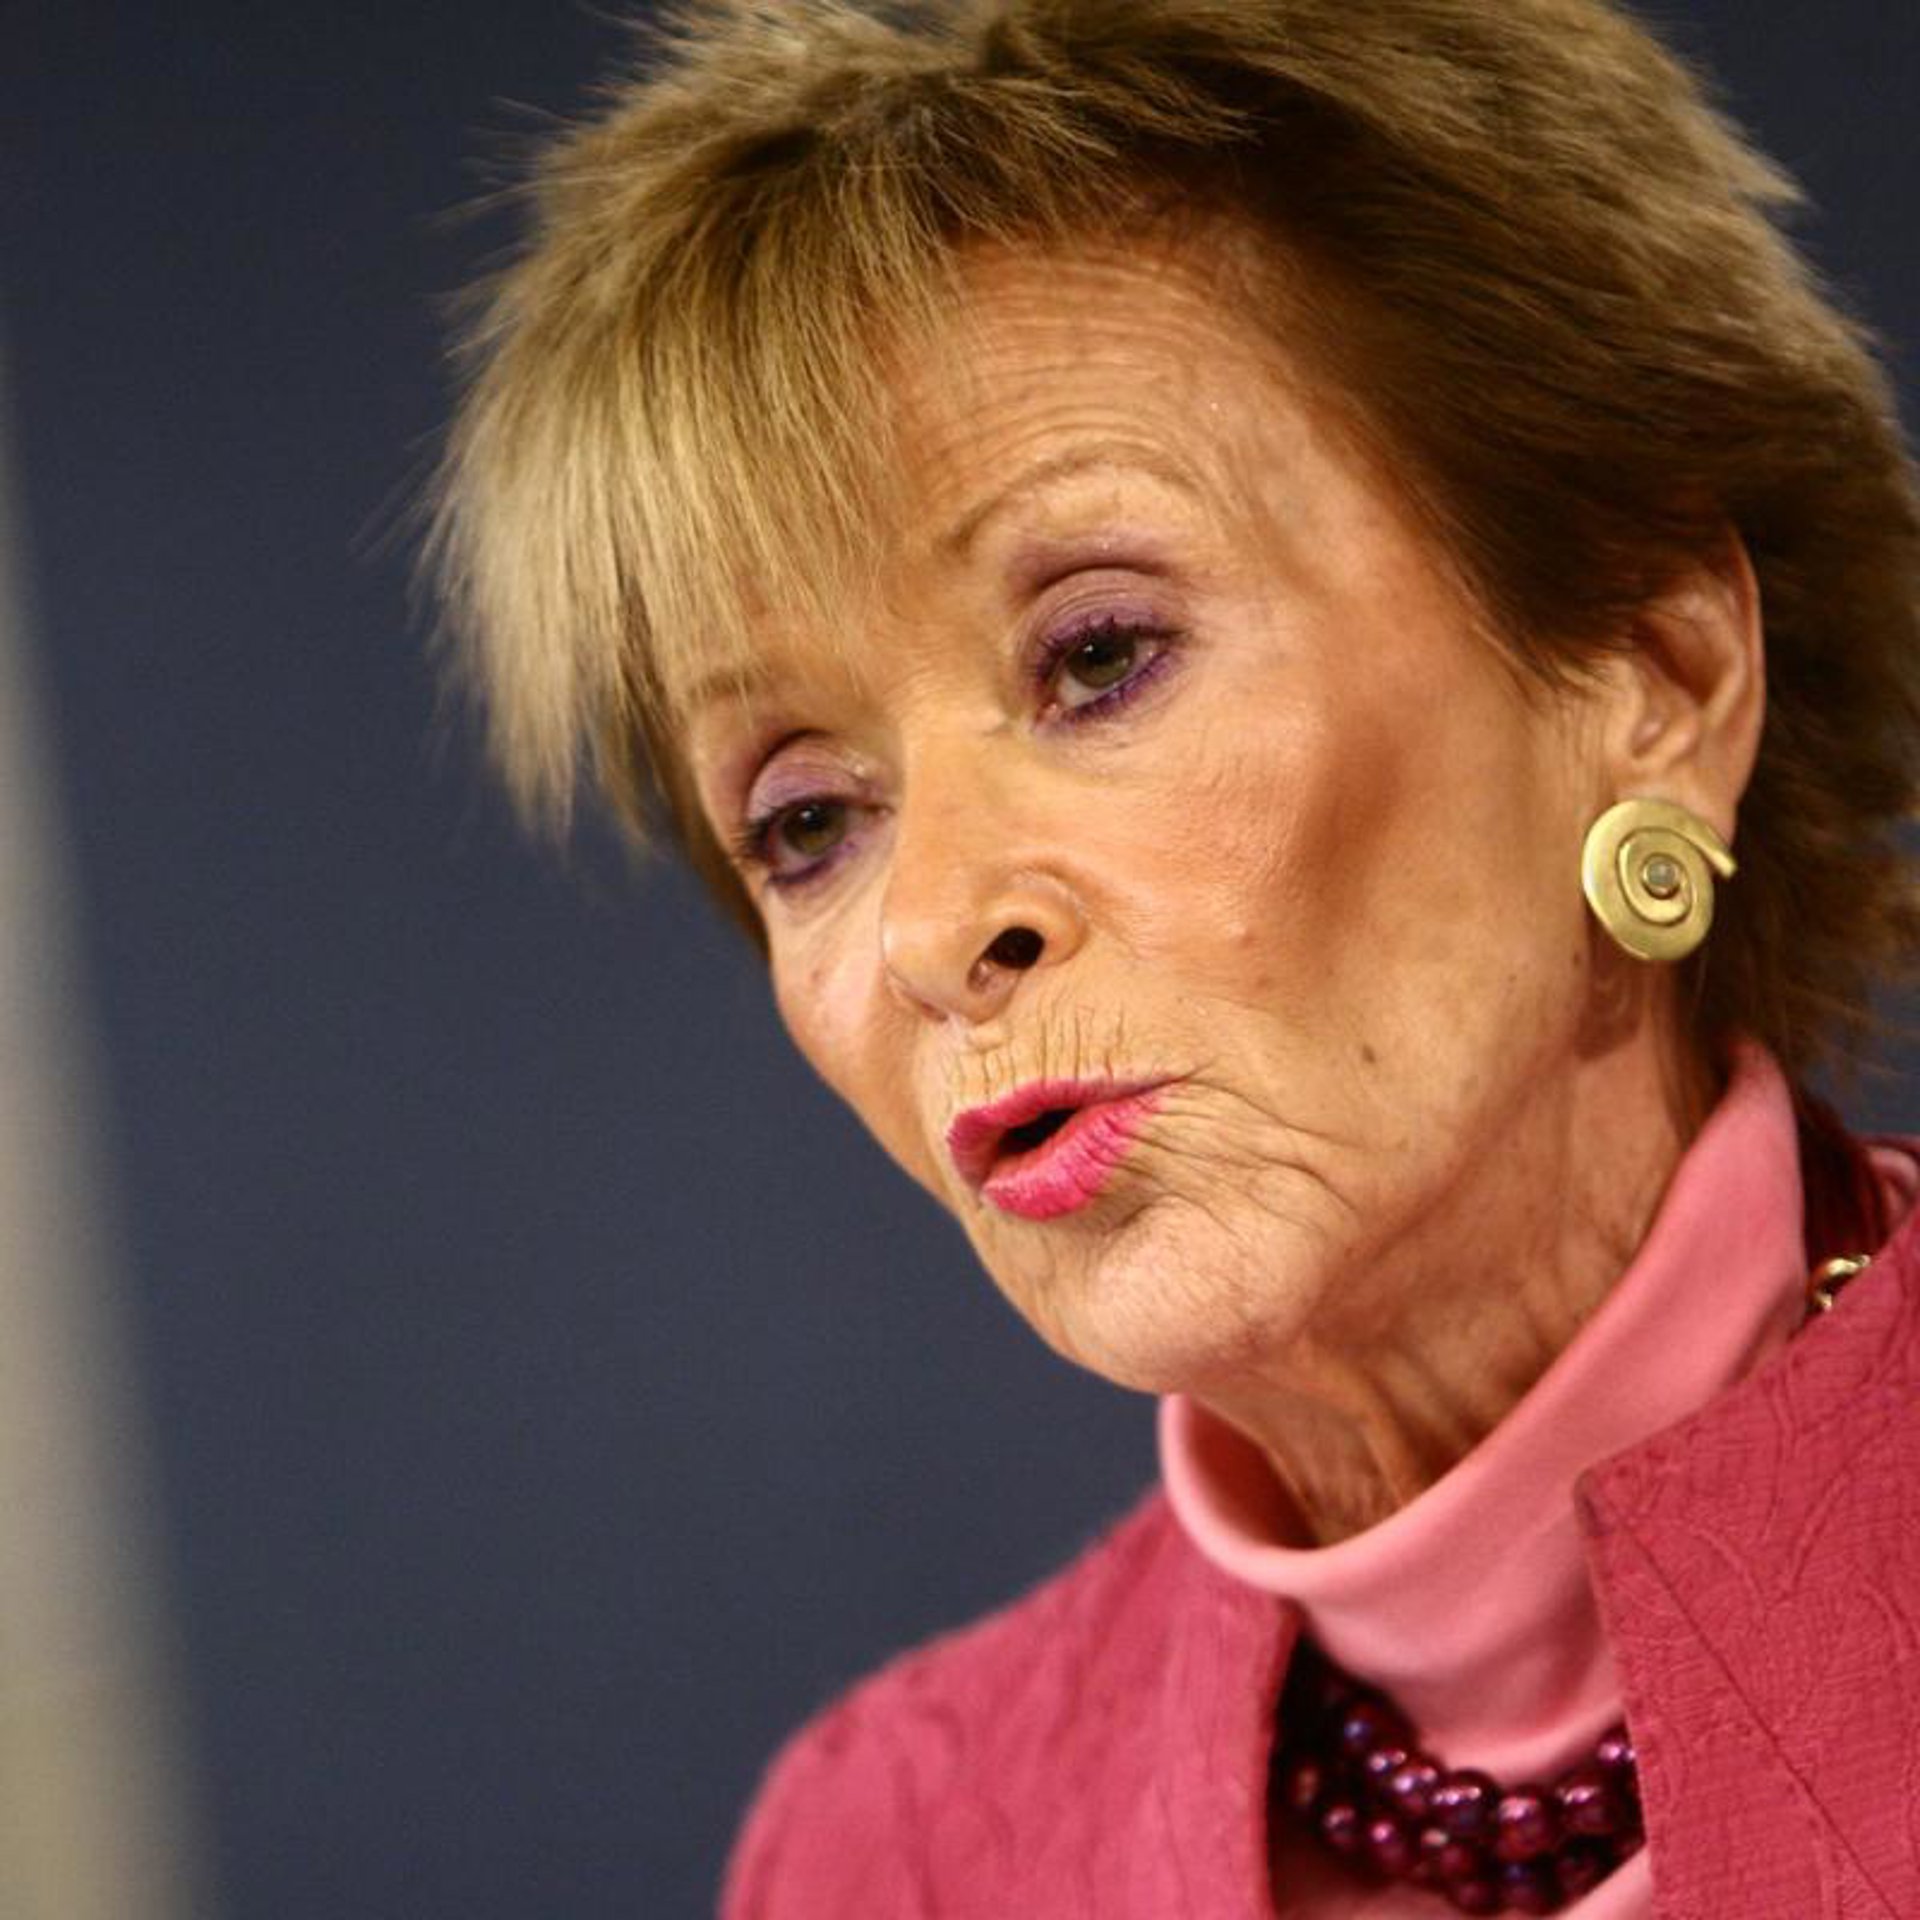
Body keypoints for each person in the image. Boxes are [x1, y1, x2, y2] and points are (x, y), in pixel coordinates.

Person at [424, 1, 1920, 1912]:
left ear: (1656, 673)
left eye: (1100, 653)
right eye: (806, 820)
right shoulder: (892, 1863)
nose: (935, 928)